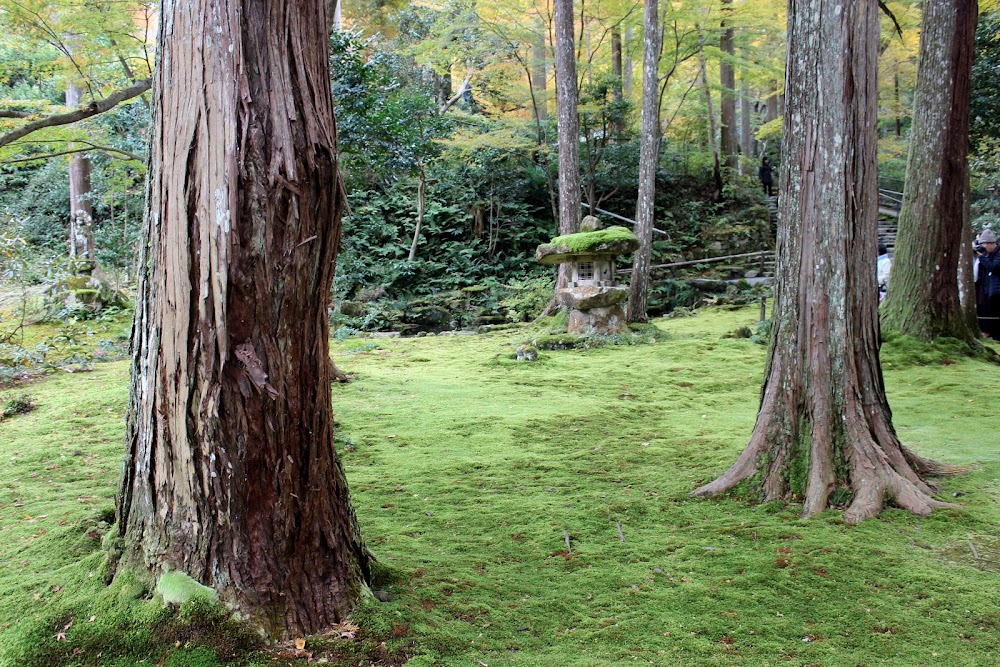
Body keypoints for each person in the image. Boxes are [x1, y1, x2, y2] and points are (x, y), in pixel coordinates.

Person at [974, 229, 1000, 339]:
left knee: (996, 314)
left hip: (997, 291)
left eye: (983, 245)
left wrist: (981, 257)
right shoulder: (989, 254)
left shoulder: (998, 253)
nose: (983, 248)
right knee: (990, 313)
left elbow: (994, 267)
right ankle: (993, 336)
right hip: (990, 291)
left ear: (991, 243)